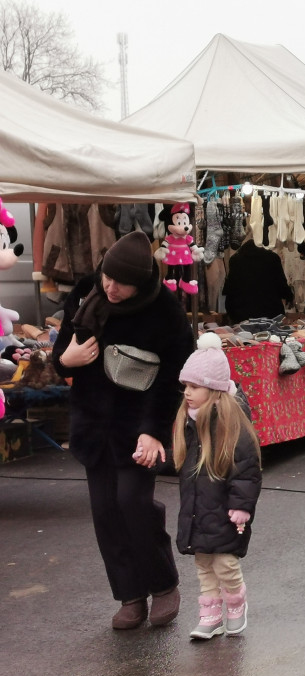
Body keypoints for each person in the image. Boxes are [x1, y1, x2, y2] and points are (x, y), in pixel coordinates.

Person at [52, 231, 194, 630]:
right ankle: (130, 595)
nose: (111, 288)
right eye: (107, 278)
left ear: (141, 281)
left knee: (133, 502)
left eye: (122, 283)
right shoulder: (86, 292)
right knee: (105, 511)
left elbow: (175, 377)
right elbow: (60, 355)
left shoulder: (165, 311)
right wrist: (69, 358)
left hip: (137, 427)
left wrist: (153, 431)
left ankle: (163, 584)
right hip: (93, 423)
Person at [173, 333, 262, 637]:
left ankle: (236, 603)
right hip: (198, 510)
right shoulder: (189, 422)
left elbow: (247, 470)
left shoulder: (230, 425)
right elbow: (185, 466)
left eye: (194, 387)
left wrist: (241, 506)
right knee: (203, 565)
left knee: (225, 563)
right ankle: (209, 615)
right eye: (185, 386)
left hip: (225, 512)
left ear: (213, 391)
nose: (187, 392)